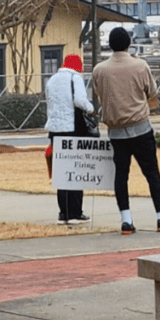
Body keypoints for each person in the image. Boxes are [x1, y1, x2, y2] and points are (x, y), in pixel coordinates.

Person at [92, 27, 160, 235]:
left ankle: (126, 220)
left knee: (121, 175)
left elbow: (98, 93)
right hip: (140, 127)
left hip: (116, 131)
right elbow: (152, 93)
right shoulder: (140, 66)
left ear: (109, 45)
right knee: (152, 174)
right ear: (128, 44)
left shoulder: (99, 70)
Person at [44, 54, 95, 224]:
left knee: (61, 173)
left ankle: (63, 212)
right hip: (72, 129)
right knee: (75, 170)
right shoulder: (75, 78)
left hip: (55, 130)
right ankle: (75, 212)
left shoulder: (51, 80)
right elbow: (80, 100)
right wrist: (90, 108)